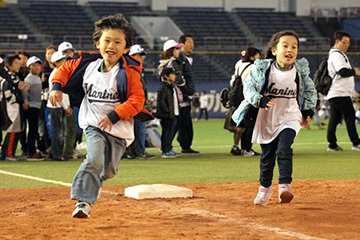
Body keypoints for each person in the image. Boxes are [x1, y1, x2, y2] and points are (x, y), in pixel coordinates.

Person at [49, 14, 152, 218]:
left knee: (108, 171)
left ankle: (94, 180)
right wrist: (56, 87)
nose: (111, 45)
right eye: (106, 40)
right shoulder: (87, 65)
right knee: (93, 159)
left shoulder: (129, 73)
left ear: (125, 48)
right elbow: (64, 69)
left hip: (119, 130)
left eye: (117, 42)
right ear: (97, 43)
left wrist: (114, 116)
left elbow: (137, 100)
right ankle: (83, 202)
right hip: (94, 124)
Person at [232, 30, 317, 205]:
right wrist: (260, 99)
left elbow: (309, 91)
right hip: (267, 118)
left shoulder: (299, 71)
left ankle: (285, 185)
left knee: (284, 149)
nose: (290, 50)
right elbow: (248, 89)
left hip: (290, 116)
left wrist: (308, 111)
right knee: (267, 155)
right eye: (285, 46)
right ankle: (265, 188)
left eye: (294, 47)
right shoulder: (263, 69)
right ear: (274, 50)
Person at [325, 30, 360, 151]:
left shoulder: (337, 54)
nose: (346, 45)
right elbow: (342, 72)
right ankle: (356, 143)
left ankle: (332, 144)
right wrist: (354, 72)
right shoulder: (337, 55)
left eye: (348, 43)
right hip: (340, 92)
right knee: (350, 116)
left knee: (334, 119)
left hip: (337, 92)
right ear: (337, 41)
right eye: (344, 42)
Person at [230, 47, 261, 156]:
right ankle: (247, 148)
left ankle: (237, 146)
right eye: (257, 55)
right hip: (249, 99)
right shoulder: (253, 67)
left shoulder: (239, 64)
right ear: (252, 56)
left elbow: (233, 80)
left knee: (241, 124)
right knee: (249, 124)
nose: (259, 58)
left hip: (239, 98)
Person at [129, 44, 155, 159]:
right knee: (139, 127)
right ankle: (139, 151)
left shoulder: (138, 69)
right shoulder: (132, 69)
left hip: (138, 102)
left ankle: (135, 151)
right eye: (141, 55)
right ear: (134, 56)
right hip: (134, 103)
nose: (143, 57)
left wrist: (145, 98)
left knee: (137, 127)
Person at [47, 51, 72, 161]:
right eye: (62, 60)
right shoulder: (57, 74)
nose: (65, 62)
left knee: (59, 131)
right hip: (57, 106)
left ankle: (57, 153)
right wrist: (66, 107)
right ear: (56, 62)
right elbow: (58, 94)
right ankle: (56, 154)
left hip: (58, 106)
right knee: (58, 132)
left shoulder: (59, 72)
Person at [176, 34, 199, 154]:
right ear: (182, 44)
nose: (192, 45)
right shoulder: (180, 58)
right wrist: (187, 89)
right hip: (180, 95)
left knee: (183, 122)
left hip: (185, 94)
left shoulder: (187, 58)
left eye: (192, 42)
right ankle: (182, 144)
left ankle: (184, 144)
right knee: (181, 122)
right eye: (189, 42)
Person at [1, 55, 24, 161]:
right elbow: (8, 95)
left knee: (16, 131)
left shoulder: (16, 78)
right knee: (13, 131)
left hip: (16, 108)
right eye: (15, 63)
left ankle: (6, 152)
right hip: (12, 109)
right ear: (8, 66)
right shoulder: (7, 80)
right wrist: (20, 101)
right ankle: (9, 154)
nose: (18, 66)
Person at [22, 56, 45, 161]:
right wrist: (25, 102)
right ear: (29, 67)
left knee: (34, 129)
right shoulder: (29, 78)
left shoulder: (37, 77)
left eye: (38, 65)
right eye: (34, 65)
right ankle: (31, 152)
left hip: (36, 105)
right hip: (31, 106)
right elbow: (24, 91)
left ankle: (32, 150)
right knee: (32, 129)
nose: (37, 67)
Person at [156, 67, 180, 158]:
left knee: (170, 132)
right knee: (166, 132)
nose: (174, 76)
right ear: (166, 76)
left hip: (173, 113)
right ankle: (165, 151)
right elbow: (161, 102)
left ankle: (168, 149)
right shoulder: (163, 87)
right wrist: (167, 111)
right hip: (167, 115)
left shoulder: (171, 86)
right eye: (172, 74)